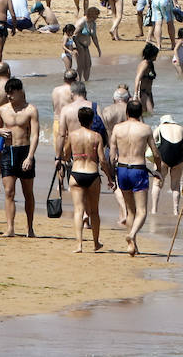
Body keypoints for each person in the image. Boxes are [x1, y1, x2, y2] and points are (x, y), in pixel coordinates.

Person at [110, 98, 160, 256]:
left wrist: (112, 175)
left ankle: (133, 245)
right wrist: (158, 169)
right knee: (142, 211)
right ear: (141, 113)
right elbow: (155, 152)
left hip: (122, 169)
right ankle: (131, 235)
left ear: (126, 112)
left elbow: (112, 155)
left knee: (130, 210)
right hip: (138, 169)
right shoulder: (145, 129)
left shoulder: (117, 129)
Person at [0, 76, 40, 238]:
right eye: (7, 93)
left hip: (24, 151)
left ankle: (30, 227)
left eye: (12, 93)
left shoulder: (30, 110)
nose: (9, 96)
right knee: (9, 192)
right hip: (8, 152)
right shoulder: (3, 110)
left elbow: (34, 135)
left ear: (20, 92)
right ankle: (10, 228)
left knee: (28, 192)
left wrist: (30, 157)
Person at [65, 104, 112, 253]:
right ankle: (96, 243)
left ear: (79, 120)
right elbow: (102, 160)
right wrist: (110, 177)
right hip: (92, 174)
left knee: (78, 210)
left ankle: (79, 244)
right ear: (92, 120)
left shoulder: (72, 135)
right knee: (94, 212)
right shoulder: (96, 136)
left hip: (76, 173)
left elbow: (65, 154)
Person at [152, 114, 183, 216]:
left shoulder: (160, 128)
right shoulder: (181, 128)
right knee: (175, 185)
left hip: (164, 156)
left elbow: (152, 142)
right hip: (179, 157)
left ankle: (154, 209)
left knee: (157, 183)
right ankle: (176, 211)